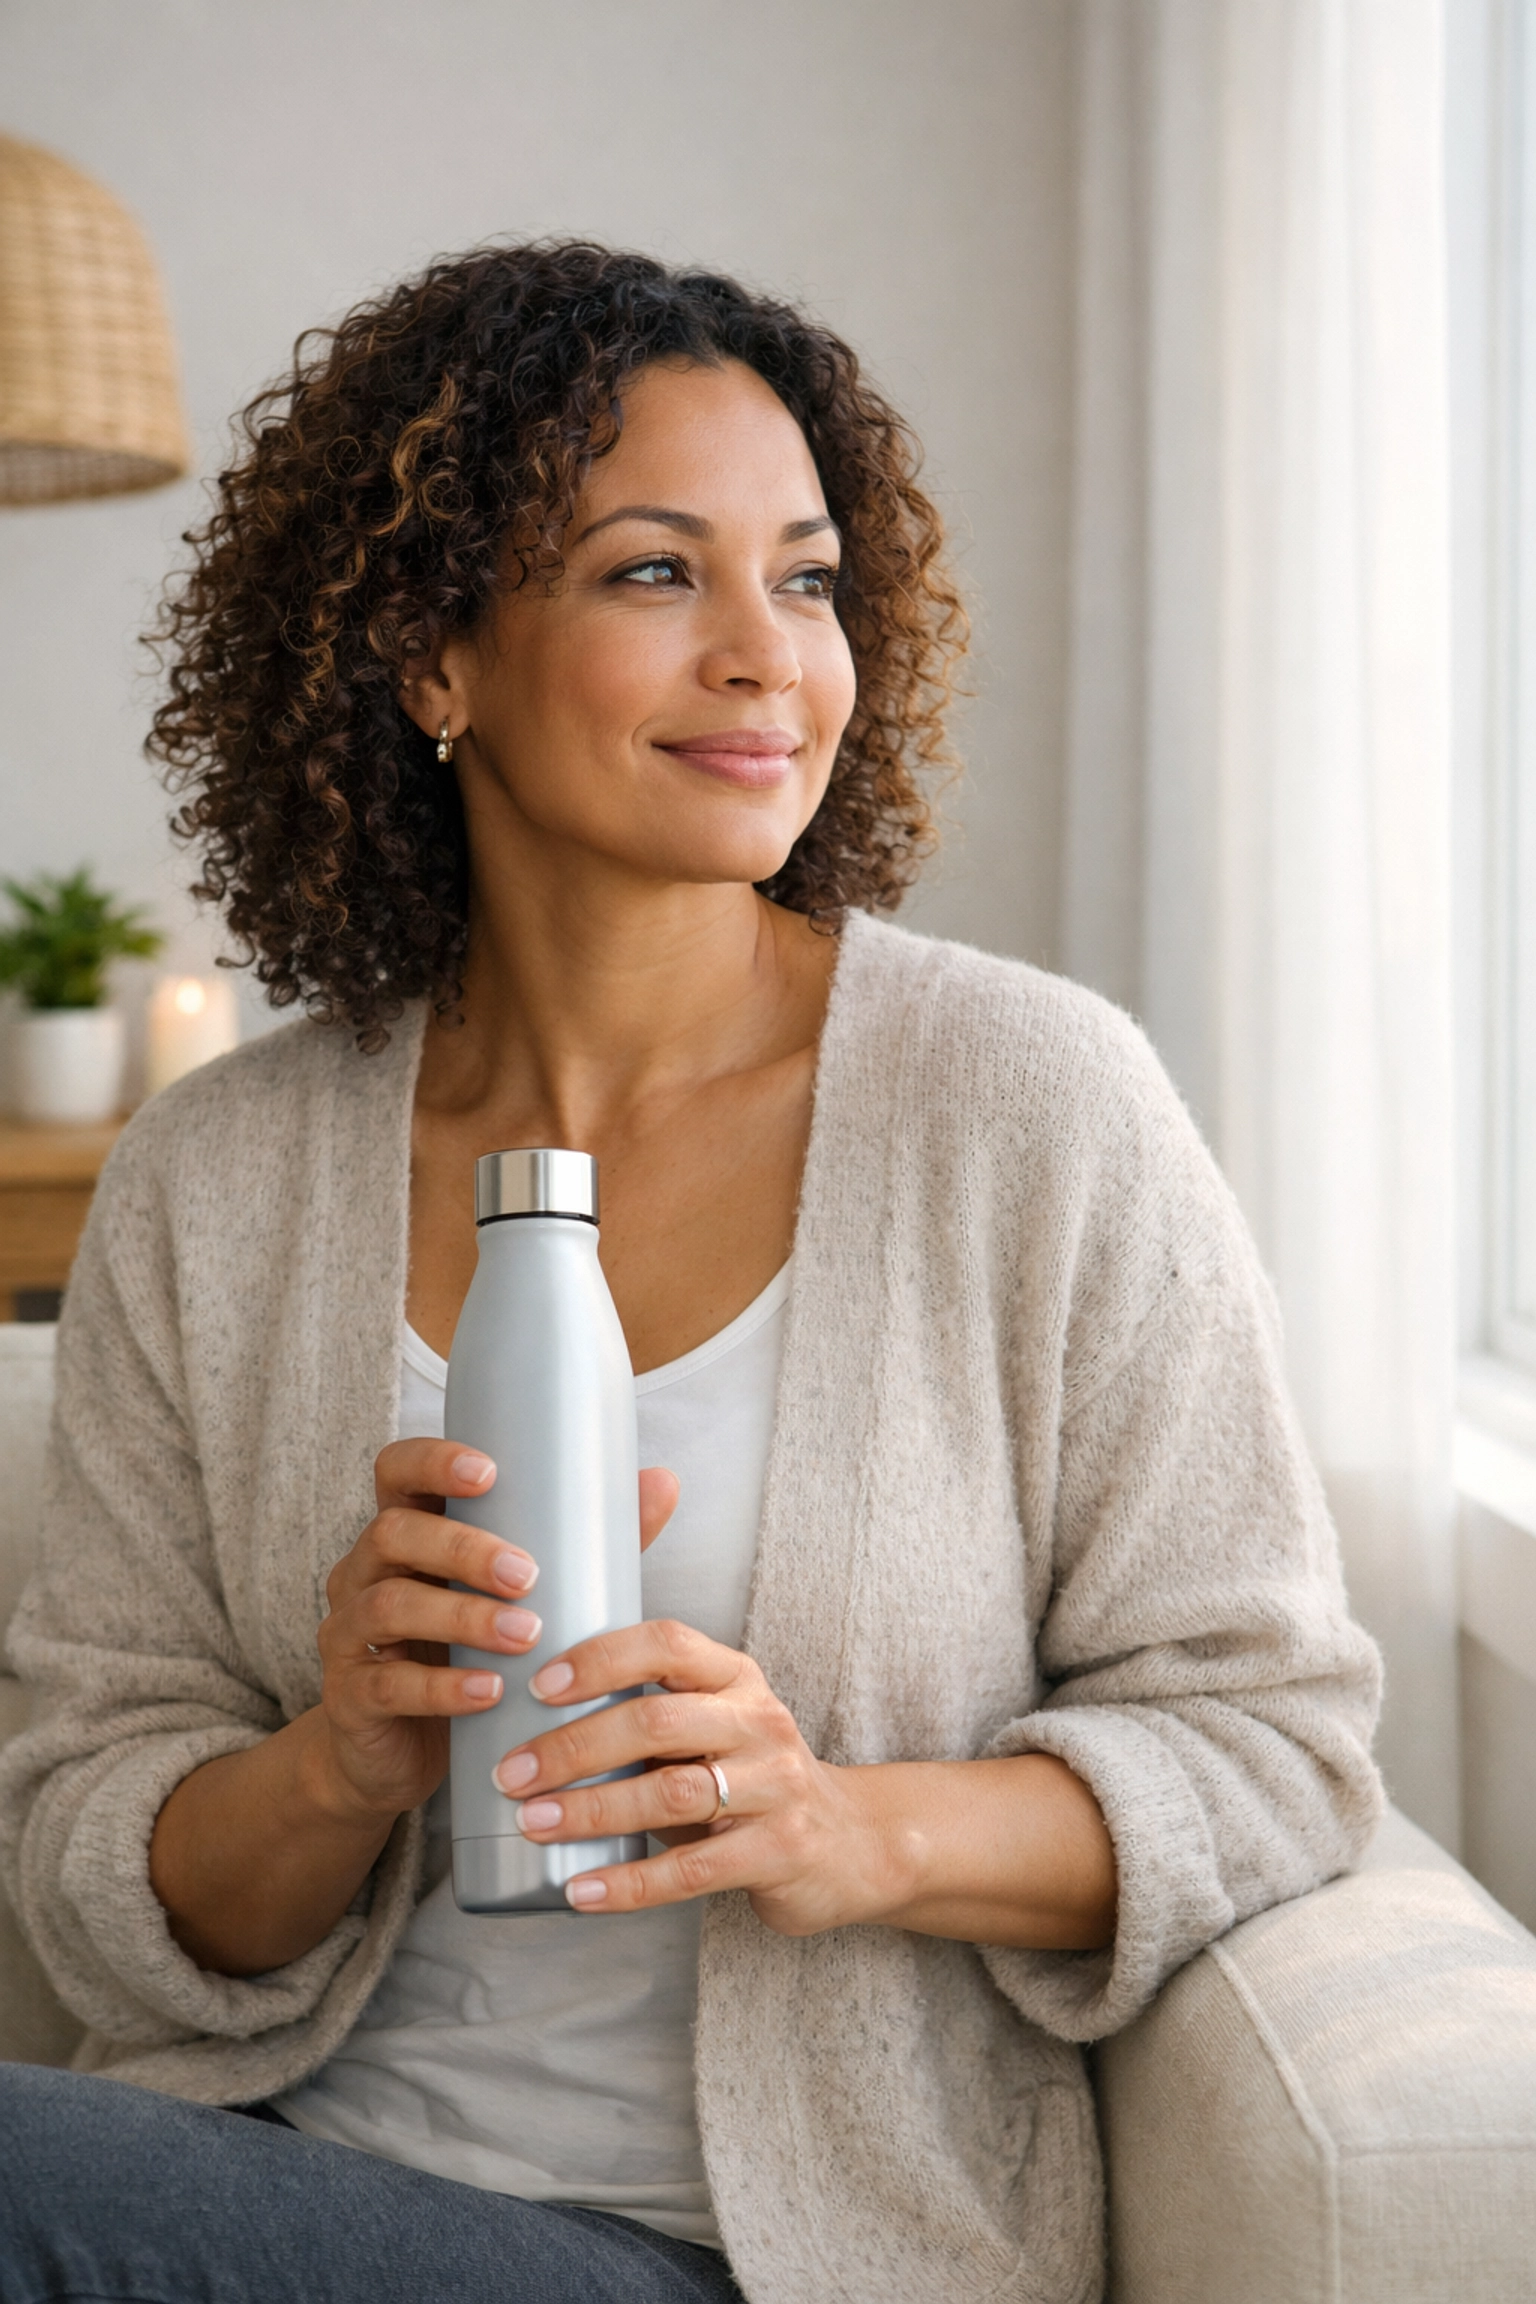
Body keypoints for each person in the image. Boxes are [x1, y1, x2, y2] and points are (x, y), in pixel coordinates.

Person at [0, 242, 1381, 2304]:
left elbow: (1274, 1746)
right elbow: (97, 1862)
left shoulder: (1033, 1109)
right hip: (265, 2185)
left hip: (755, 2257)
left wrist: (853, 1828)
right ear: (430, 651)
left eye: (808, 580)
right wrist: (340, 1760)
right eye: (658, 574)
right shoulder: (222, 1173)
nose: (769, 657)